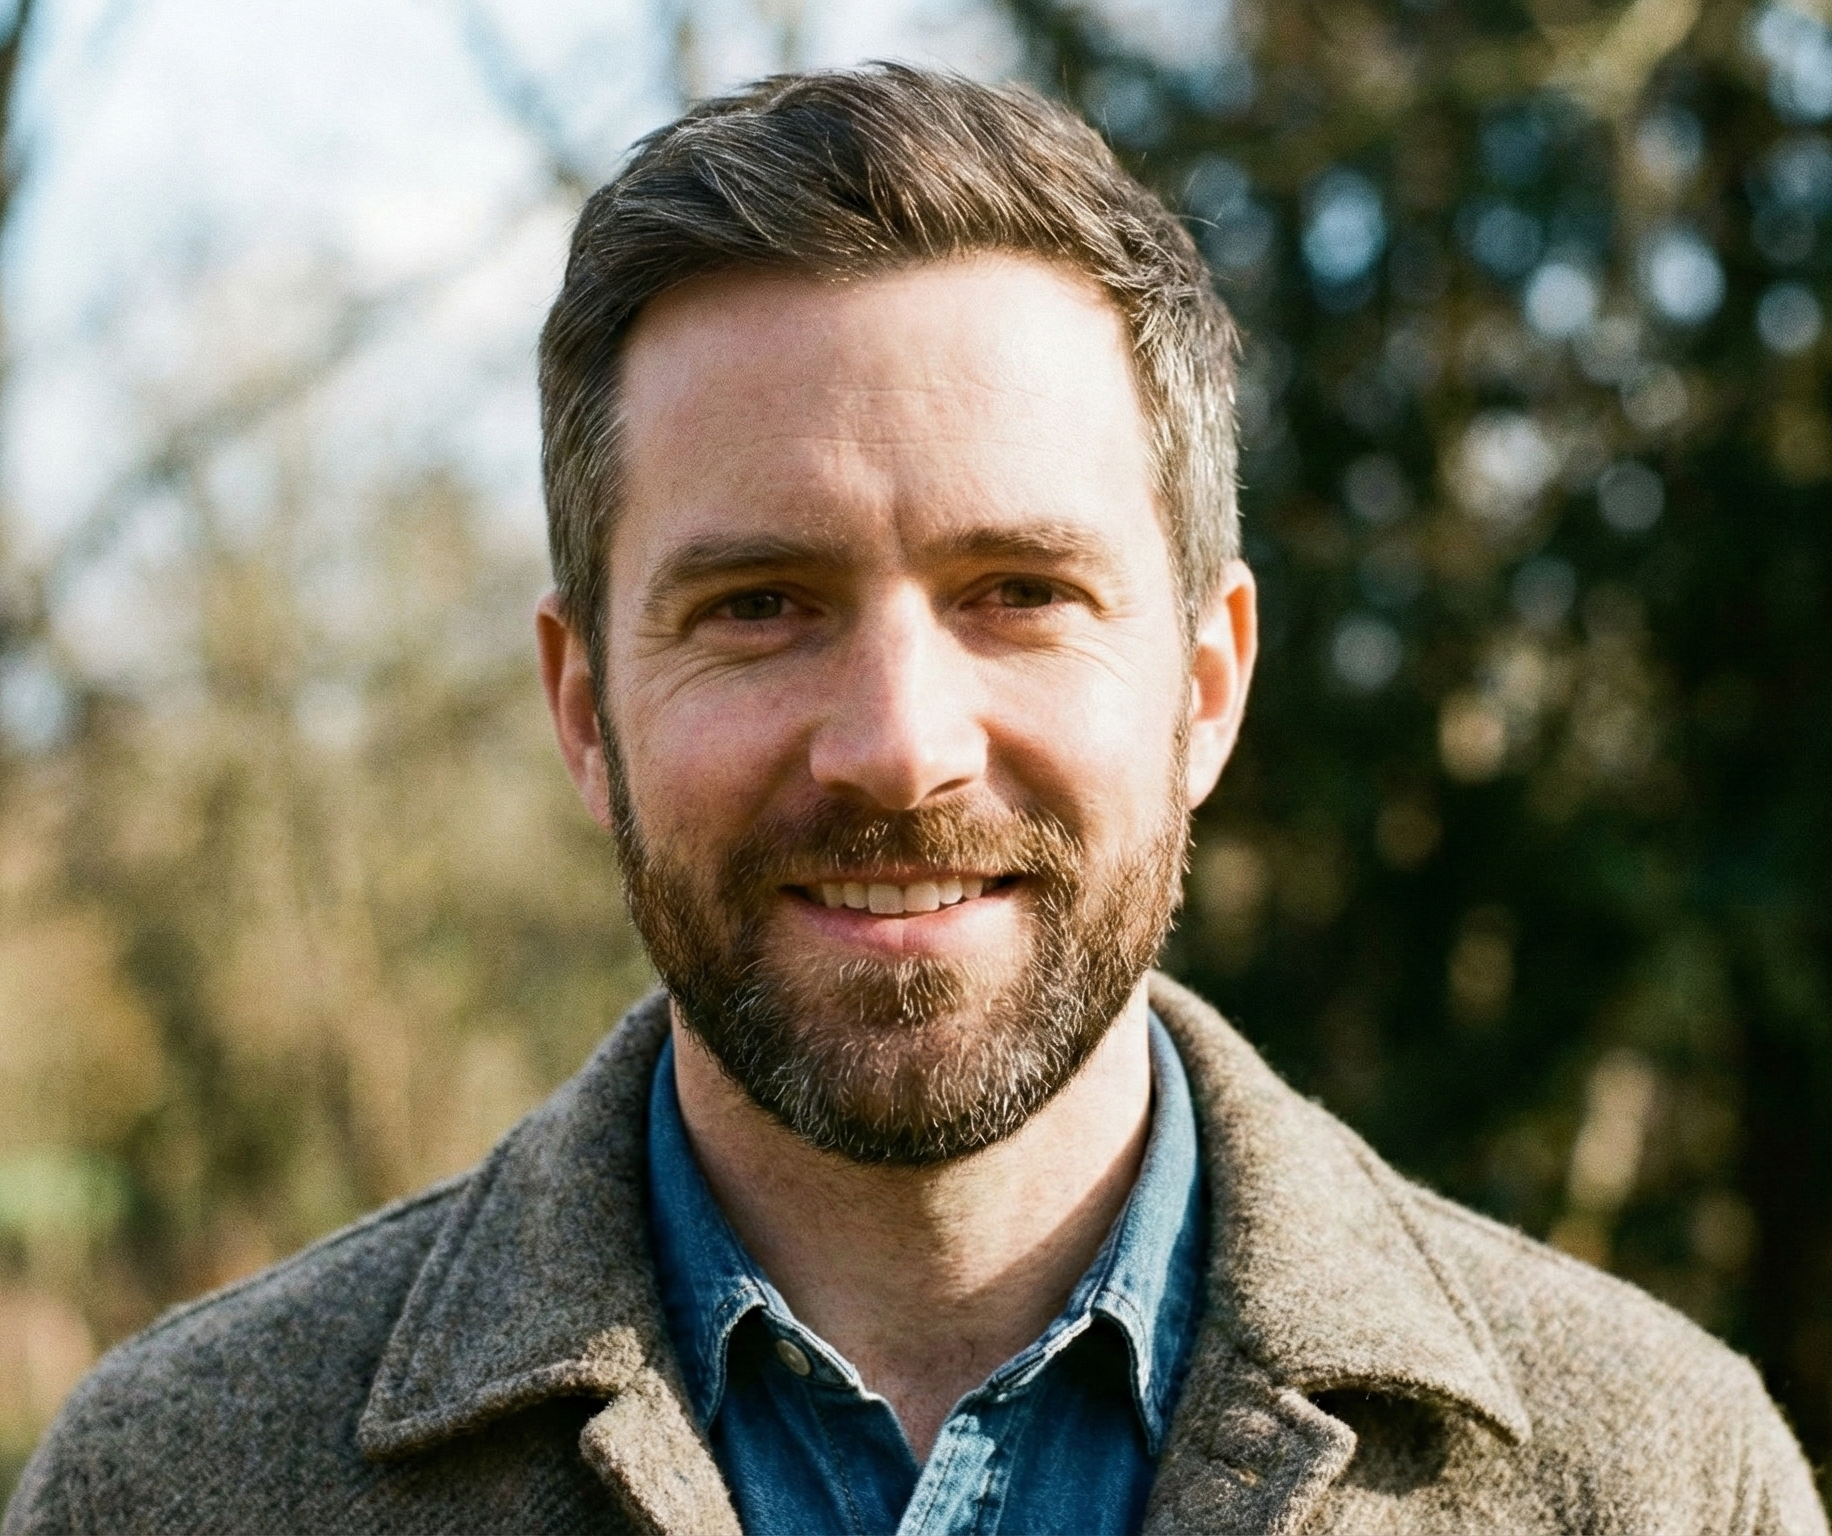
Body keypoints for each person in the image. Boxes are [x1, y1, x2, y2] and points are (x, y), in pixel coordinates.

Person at [5, 64, 1825, 1536]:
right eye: (760, 606)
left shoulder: (1657, 1482)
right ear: (584, 709)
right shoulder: (176, 1487)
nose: (897, 744)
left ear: (1206, 685)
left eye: (1017, 593)